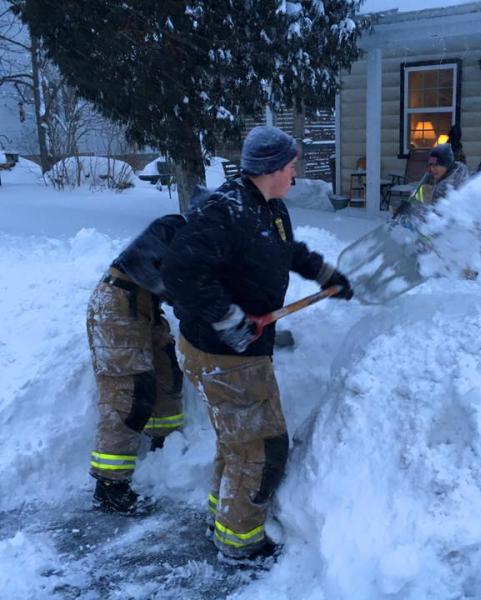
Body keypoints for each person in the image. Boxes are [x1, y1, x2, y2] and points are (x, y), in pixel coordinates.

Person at [161, 125, 354, 562]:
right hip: (224, 352)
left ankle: (223, 515)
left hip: (241, 349)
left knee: (238, 441)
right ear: (269, 168)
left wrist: (326, 275)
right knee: (262, 446)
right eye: (291, 166)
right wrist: (229, 317)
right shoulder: (223, 210)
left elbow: (288, 251)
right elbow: (181, 272)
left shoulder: (270, 209)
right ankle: (240, 541)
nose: (295, 174)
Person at [86, 214, 186, 514]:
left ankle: (163, 449)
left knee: (167, 374)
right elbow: (183, 292)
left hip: (144, 304)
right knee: (129, 393)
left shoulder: (196, 240)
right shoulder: (176, 230)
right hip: (117, 303)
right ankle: (109, 486)